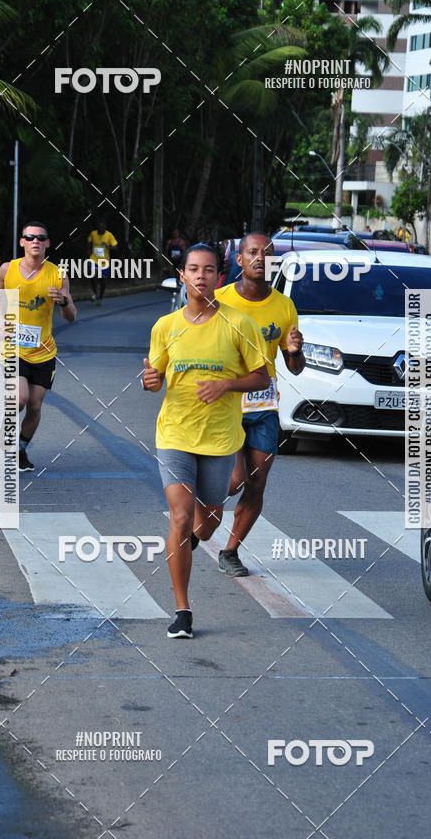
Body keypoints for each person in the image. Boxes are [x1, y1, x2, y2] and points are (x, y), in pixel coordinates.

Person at [143, 243, 269, 638]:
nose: (201, 275)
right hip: (175, 434)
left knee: (209, 522)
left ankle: (195, 539)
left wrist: (226, 384)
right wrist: (150, 381)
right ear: (182, 275)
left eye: (209, 269)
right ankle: (182, 611)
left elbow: (262, 377)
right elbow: (155, 378)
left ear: (219, 276)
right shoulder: (165, 327)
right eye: (194, 269)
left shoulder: (239, 324)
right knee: (180, 518)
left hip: (220, 439)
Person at [214, 232, 305, 576]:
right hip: (226, 405)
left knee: (257, 482)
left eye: (267, 253)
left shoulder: (284, 306)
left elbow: (295, 367)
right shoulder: (219, 300)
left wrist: (295, 351)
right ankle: (196, 510)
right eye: (252, 252)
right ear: (239, 259)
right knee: (234, 481)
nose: (260, 258)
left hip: (264, 407)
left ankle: (230, 551)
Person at [0, 221, 76, 472]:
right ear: (22, 242)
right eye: (30, 237)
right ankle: (4, 438)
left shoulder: (58, 275)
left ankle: (20, 449)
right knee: (19, 398)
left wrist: (63, 302)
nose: (35, 241)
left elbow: (71, 316)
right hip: (13, 349)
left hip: (43, 352)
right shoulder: (7, 270)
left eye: (40, 237)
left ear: (47, 243)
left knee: (35, 405)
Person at [87, 219, 118, 304]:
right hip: (94, 259)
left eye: (102, 228)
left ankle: (100, 297)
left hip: (104, 261)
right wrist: (88, 250)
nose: (100, 229)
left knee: (102, 280)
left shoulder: (109, 235)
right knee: (93, 275)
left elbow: (116, 246)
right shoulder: (93, 234)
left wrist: (109, 247)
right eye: (99, 228)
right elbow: (89, 241)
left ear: (105, 227)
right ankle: (95, 293)